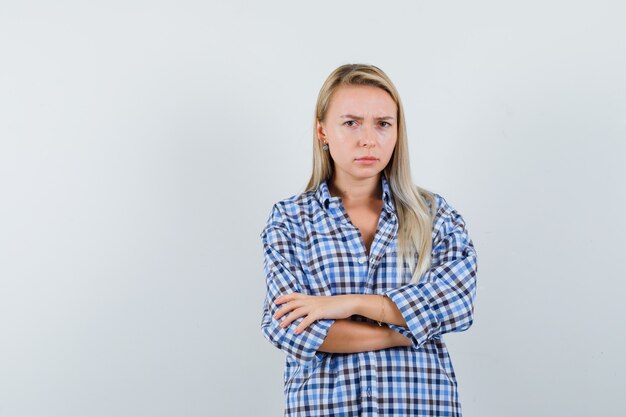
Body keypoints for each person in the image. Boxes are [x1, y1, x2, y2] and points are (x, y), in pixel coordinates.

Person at [260, 63, 478, 416]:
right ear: (322, 131)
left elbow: (457, 304)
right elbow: (293, 330)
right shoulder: (290, 221)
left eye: (382, 124)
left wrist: (345, 304)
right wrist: (403, 330)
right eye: (351, 122)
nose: (368, 139)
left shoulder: (435, 216)